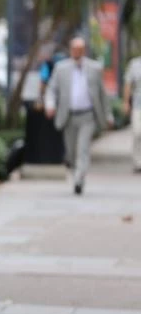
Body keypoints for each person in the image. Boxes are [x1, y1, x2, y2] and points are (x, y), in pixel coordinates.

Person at [45, 36, 114, 195]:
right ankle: (76, 173)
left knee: (83, 149)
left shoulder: (94, 68)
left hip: (87, 116)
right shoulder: (61, 68)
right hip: (68, 116)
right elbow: (51, 89)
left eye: (80, 49)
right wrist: (50, 105)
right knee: (71, 152)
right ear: (71, 50)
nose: (77, 52)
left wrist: (108, 115)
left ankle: (78, 179)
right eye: (74, 49)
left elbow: (103, 95)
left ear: (84, 51)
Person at [122, 54, 141, 172]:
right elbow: (128, 84)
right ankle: (138, 162)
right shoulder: (135, 64)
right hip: (138, 105)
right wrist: (126, 102)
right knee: (137, 133)